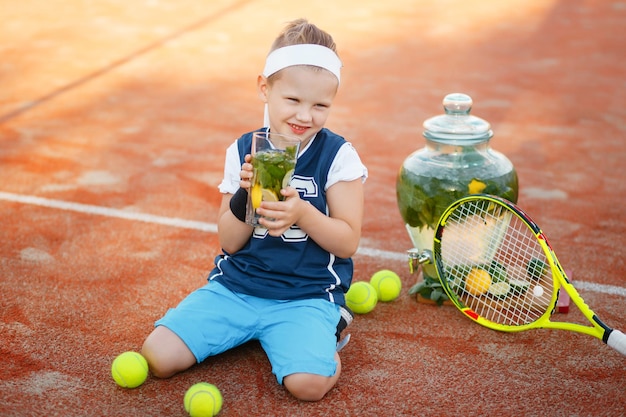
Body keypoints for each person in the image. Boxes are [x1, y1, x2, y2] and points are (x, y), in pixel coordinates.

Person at [141, 18, 367, 402]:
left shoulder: (338, 156)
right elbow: (230, 242)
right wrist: (245, 196)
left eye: (320, 105)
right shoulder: (243, 150)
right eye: (293, 100)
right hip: (237, 288)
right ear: (265, 88)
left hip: (306, 295)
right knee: (158, 357)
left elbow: (347, 243)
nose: (305, 116)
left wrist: (303, 214)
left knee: (308, 387)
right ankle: (259, 331)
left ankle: (326, 333)